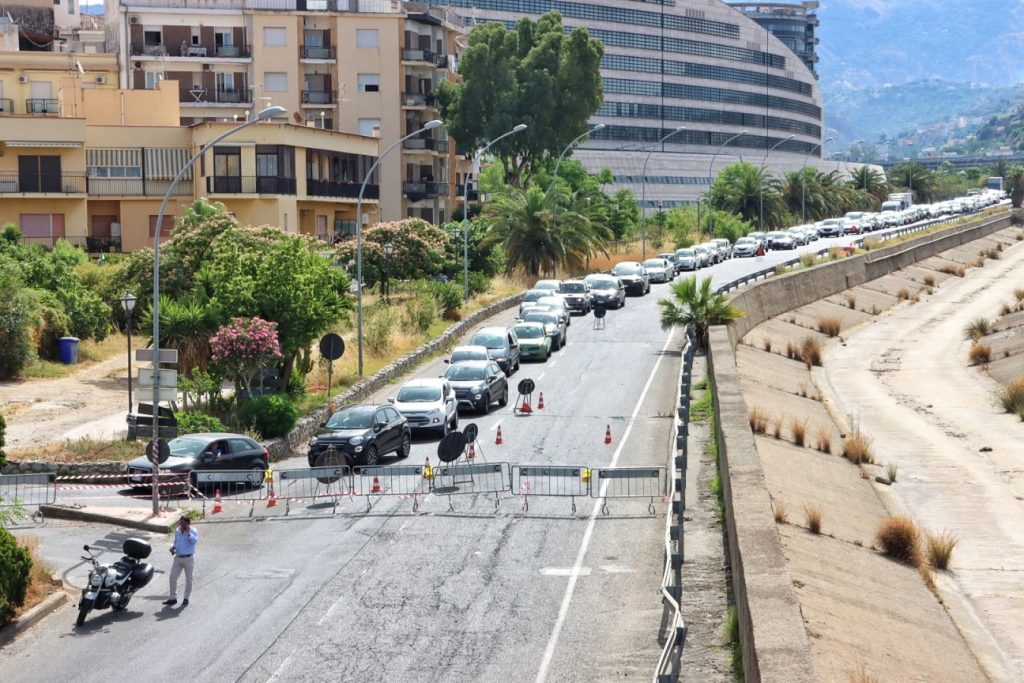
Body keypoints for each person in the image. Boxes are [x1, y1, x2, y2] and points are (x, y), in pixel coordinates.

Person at [164, 516, 198, 607]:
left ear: (188, 524)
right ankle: (172, 598)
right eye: (180, 523)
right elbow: (176, 542)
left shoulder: (193, 531)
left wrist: (188, 533)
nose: (181, 525)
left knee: (189, 579)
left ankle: (186, 598)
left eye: (183, 523)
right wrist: (173, 548)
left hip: (188, 558)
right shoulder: (178, 530)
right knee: (172, 577)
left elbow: (193, 542)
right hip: (178, 558)